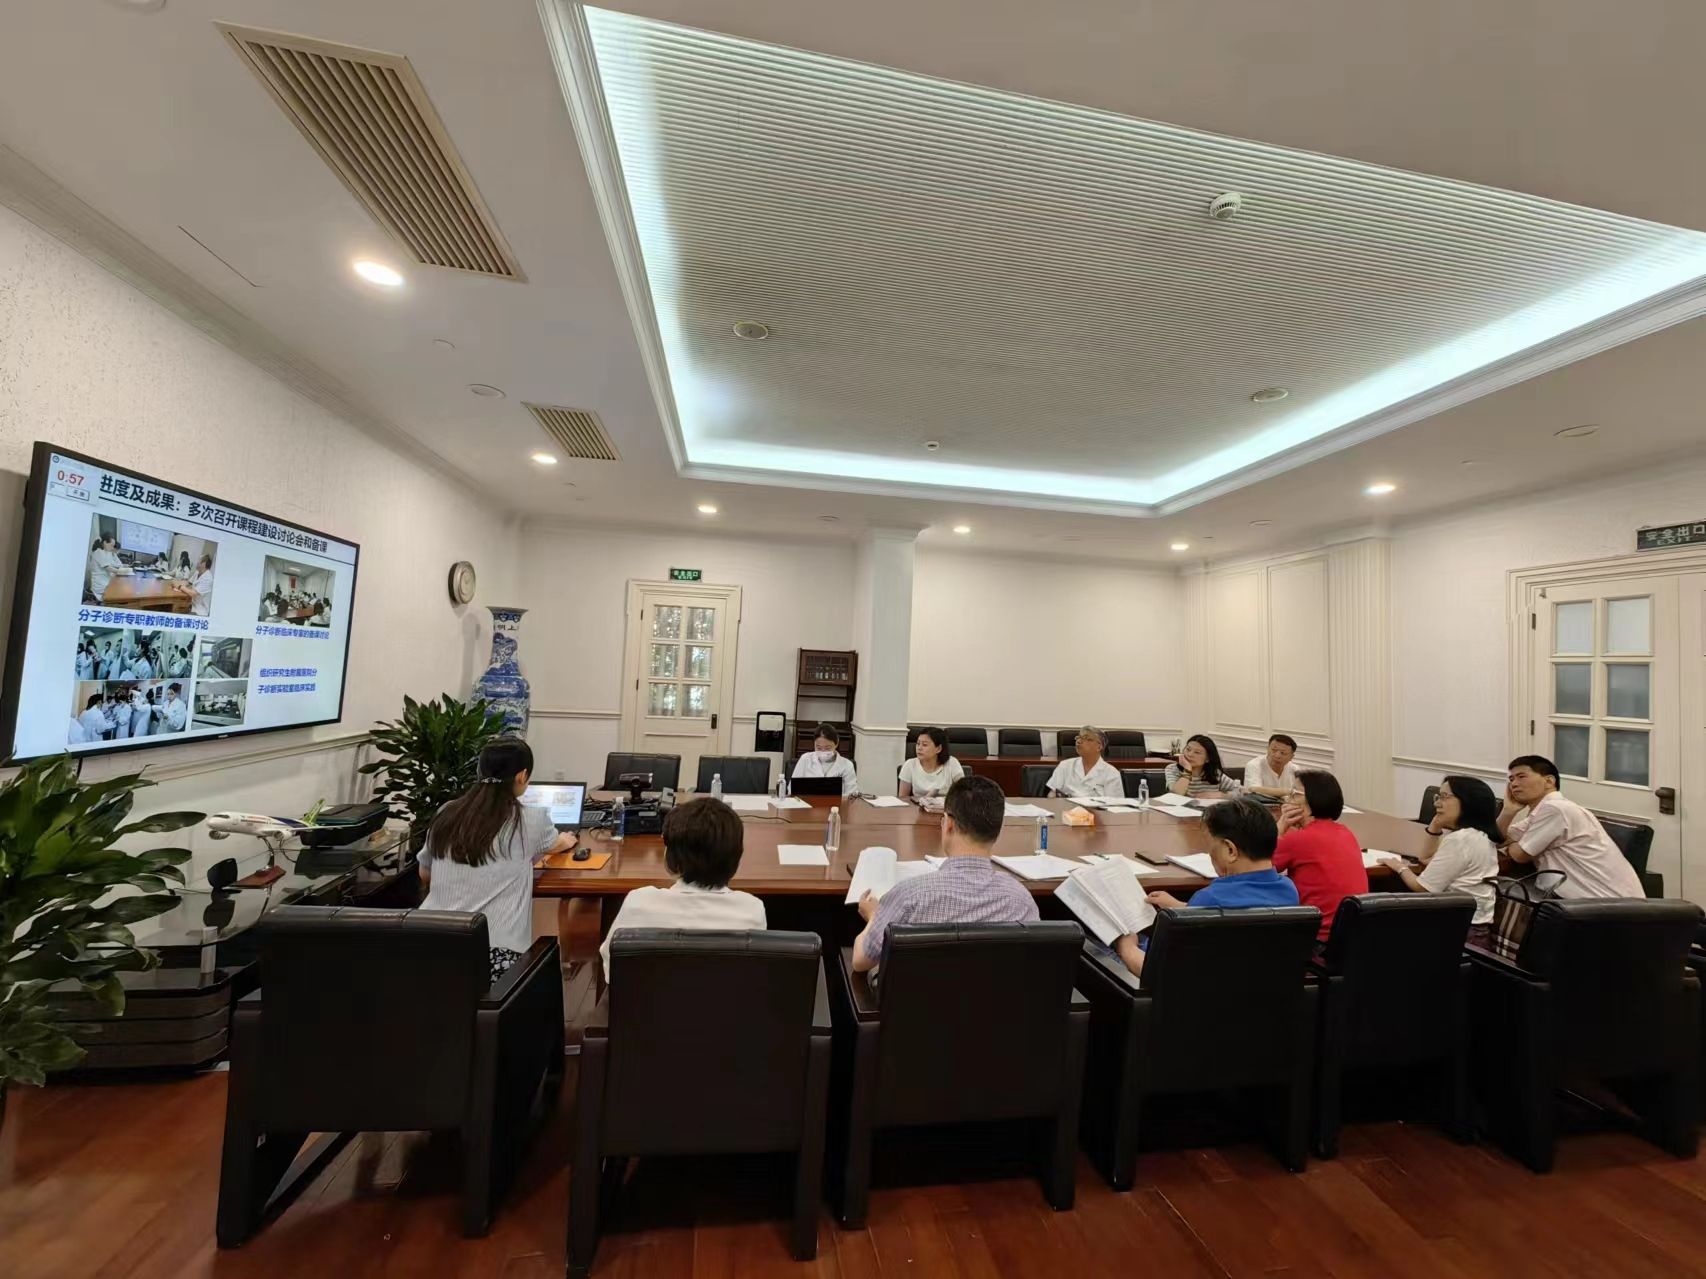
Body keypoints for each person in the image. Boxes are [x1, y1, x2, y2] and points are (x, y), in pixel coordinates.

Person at [852, 775, 1039, 978]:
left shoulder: (911, 895)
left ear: (948, 824)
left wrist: (874, 916)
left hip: (919, 998)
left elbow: (861, 960)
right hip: (995, 997)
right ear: (998, 831)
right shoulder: (1021, 900)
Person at [419, 738, 575, 980]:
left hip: (425, 947)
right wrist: (568, 839)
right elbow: (556, 844)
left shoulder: (446, 812)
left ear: (479, 771)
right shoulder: (532, 820)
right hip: (494, 956)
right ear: (522, 776)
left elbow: (425, 874)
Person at [1112, 797, 1300, 979]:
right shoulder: (1289, 890)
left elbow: (1163, 974)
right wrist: (1182, 907)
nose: (1209, 854)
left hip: (1194, 992)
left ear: (1230, 850)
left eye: (1210, 847)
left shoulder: (1210, 899)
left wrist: (1126, 948)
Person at [599, 796, 767, 981]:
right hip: (724, 999)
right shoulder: (752, 909)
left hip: (648, 999)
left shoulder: (638, 902)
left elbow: (611, 967)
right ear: (736, 858)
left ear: (671, 857)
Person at [1497, 755, 1644, 899]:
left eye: (1521, 777)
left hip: (1606, 902)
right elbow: (1497, 837)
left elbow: (1520, 855)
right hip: (1586, 900)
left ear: (1549, 781)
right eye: (1511, 779)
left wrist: (1511, 845)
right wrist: (1508, 811)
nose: (1513, 784)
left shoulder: (1556, 809)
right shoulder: (1543, 811)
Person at [1384, 775, 1501, 944]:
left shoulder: (1461, 840)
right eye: (1438, 797)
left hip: (1459, 932)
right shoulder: (1478, 835)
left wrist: (1399, 867)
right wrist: (1435, 825)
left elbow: (1423, 888)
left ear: (1467, 802)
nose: (1437, 803)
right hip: (1474, 929)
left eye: (1445, 797)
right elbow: (1426, 858)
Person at [1273, 770, 1367, 943]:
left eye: (1294, 794)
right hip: (1354, 938)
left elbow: (1259, 866)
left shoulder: (1299, 839)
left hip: (1316, 938)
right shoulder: (1346, 832)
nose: (1287, 799)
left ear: (1312, 801)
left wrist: (1280, 827)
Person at [1046, 725, 1124, 800]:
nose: (1079, 741)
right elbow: (1052, 793)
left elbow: (1114, 803)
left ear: (1099, 747)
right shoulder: (1065, 765)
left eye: (1086, 739)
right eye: (1078, 738)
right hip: (1066, 808)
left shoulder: (1111, 774)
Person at [792, 722, 859, 797]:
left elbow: (852, 795)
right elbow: (792, 789)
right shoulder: (805, 759)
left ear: (836, 743)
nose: (823, 751)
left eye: (827, 748)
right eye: (819, 748)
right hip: (806, 803)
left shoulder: (847, 765)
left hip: (836, 804)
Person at [898, 726, 965, 799]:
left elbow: (964, 793)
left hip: (946, 805)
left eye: (924, 745)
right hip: (918, 805)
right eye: (918, 743)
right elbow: (903, 799)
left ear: (938, 748)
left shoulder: (952, 763)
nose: (919, 748)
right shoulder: (910, 764)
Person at [1165, 733, 1241, 798]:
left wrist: (1219, 795)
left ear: (1207, 759)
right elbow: (1176, 795)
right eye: (1188, 749)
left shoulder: (1215, 774)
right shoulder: (1173, 769)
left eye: (1197, 752)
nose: (1190, 754)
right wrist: (1187, 770)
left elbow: (1241, 792)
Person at [1243, 733, 1302, 800]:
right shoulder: (1254, 765)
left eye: (1283, 753)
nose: (1277, 756)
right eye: (1274, 750)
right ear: (1267, 749)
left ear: (1291, 757)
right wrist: (1289, 791)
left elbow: (1302, 793)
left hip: (1287, 805)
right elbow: (1253, 790)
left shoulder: (1295, 769)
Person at [86, 535, 131, 601]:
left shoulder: (104, 552)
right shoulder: (99, 552)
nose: (112, 548)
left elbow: (113, 565)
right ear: (105, 542)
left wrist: (124, 570)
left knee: (123, 587)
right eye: (111, 545)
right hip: (101, 586)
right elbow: (110, 568)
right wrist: (125, 571)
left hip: (105, 581)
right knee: (124, 591)